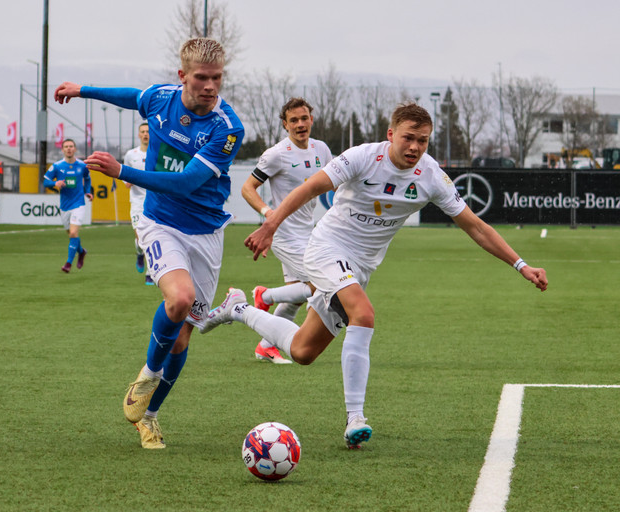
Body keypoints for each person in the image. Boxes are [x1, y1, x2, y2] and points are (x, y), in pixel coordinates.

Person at [201, 103, 548, 449]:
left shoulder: (431, 175)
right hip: (326, 248)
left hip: (360, 268)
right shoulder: (363, 157)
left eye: (423, 141)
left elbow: (476, 227)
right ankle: (355, 418)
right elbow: (310, 188)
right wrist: (270, 225)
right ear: (391, 134)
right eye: (408, 138)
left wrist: (522, 265)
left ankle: (238, 308)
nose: (415, 147)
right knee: (363, 313)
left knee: (303, 351)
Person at [54, 37, 244, 450]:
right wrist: (82, 90)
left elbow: (187, 183)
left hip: (206, 233)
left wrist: (121, 172)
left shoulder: (227, 128)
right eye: (201, 77)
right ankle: (149, 373)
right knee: (180, 299)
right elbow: (131, 97)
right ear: (182, 76)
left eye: (217, 78)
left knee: (182, 338)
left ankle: (150, 416)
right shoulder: (161, 98)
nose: (210, 86)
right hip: (160, 222)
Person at [241, 97, 332, 364]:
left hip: (308, 232)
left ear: (311, 120)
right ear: (285, 124)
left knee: (295, 298)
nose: (300, 124)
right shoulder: (276, 154)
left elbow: (336, 184)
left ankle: (266, 346)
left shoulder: (321, 149)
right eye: (294, 120)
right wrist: (268, 214)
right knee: (320, 284)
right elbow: (247, 188)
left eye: (304, 118)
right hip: (282, 233)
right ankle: (265, 295)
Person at [43, 139, 93, 273]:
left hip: (79, 204)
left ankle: (68, 264)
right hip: (65, 206)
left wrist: (88, 191)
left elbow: (87, 178)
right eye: (66, 147)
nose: (69, 149)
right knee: (71, 235)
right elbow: (45, 182)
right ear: (62, 150)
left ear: (75, 149)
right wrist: (55, 183)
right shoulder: (57, 166)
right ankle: (81, 252)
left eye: (71, 146)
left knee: (73, 232)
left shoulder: (82, 165)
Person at [123, 121, 153, 285]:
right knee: (141, 239)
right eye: (142, 132)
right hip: (137, 203)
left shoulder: (157, 153)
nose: (145, 134)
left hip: (154, 202)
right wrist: (128, 181)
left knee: (151, 237)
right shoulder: (131, 155)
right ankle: (139, 253)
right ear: (138, 135)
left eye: (148, 131)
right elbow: (125, 177)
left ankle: (150, 273)